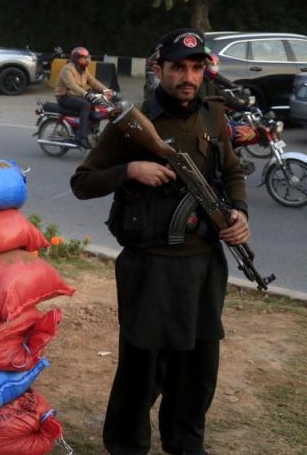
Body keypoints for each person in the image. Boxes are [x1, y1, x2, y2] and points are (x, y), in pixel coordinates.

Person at [70, 29, 250, 455]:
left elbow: (233, 172)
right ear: (159, 69)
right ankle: (127, 446)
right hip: (150, 266)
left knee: (198, 367)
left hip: (204, 263)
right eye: (178, 67)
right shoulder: (133, 124)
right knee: (142, 368)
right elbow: (81, 182)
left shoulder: (214, 116)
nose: (188, 77)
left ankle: (186, 443)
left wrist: (240, 211)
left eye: (196, 67)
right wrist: (130, 169)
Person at [54, 46, 114, 149]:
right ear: (76, 59)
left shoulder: (83, 70)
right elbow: (72, 85)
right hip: (64, 97)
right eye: (84, 58)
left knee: (97, 104)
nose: (87, 60)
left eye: (87, 57)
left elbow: (93, 81)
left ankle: (91, 130)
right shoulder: (67, 69)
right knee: (85, 105)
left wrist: (106, 90)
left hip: (76, 95)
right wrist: (86, 94)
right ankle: (81, 137)